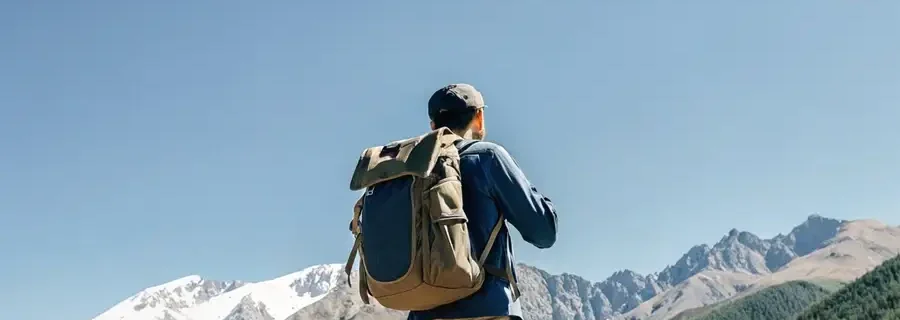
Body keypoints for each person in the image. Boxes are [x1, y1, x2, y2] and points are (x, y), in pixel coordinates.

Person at [407, 83, 559, 320]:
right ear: (479, 117)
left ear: (433, 126)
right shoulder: (487, 157)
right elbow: (543, 232)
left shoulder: (411, 172)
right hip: (485, 308)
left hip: (423, 311)